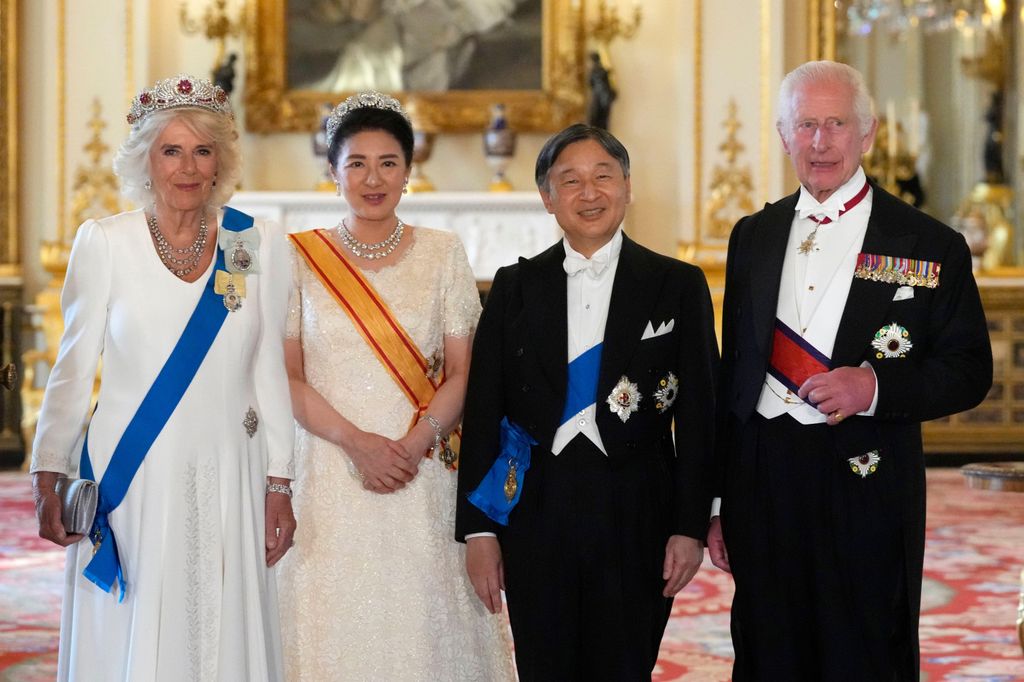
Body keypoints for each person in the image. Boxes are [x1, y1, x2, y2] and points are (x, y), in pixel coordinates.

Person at [707, 60, 993, 681]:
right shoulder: (751, 236)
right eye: (805, 124)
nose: (820, 141)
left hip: (868, 478)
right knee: (766, 647)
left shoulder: (928, 243)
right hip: (764, 479)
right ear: (783, 136)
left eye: (836, 123)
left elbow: (970, 370)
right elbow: (735, 377)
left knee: (863, 649)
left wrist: (876, 387)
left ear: (867, 134)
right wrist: (719, 499)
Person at [30, 74, 296, 681]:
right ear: (145, 159)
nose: (187, 167)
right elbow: (72, 371)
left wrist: (280, 482)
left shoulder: (256, 244)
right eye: (170, 150)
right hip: (132, 472)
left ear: (221, 161)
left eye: (203, 151)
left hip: (230, 464)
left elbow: (268, 370)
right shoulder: (105, 242)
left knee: (219, 626)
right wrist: (50, 474)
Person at [456, 123, 720, 680]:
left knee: (624, 665)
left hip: (638, 509)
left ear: (627, 187)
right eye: (570, 181)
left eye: (604, 176)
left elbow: (700, 416)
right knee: (544, 663)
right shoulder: (514, 287)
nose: (589, 192)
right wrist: (480, 530)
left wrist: (690, 524)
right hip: (536, 509)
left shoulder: (676, 284)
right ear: (548, 199)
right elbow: (484, 410)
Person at [276, 91, 515, 681]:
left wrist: (411, 445)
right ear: (333, 172)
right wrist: (359, 443)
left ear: (409, 172)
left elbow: (463, 373)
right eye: (356, 162)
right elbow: (288, 377)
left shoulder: (443, 254)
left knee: (422, 626)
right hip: (330, 469)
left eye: (388, 162)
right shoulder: (297, 258)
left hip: (422, 471)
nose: (372, 178)